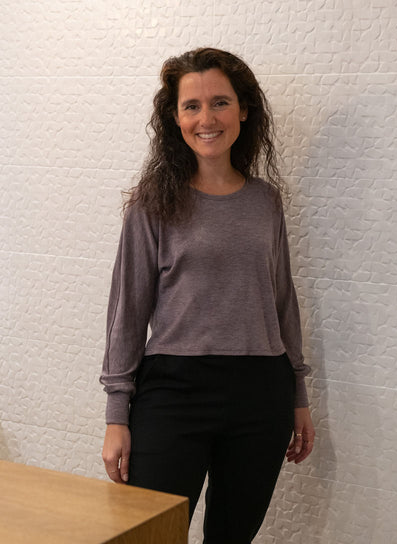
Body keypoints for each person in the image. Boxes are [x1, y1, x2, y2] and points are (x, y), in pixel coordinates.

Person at [100, 47, 315, 544]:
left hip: (261, 392)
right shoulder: (153, 204)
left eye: (220, 102)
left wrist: (298, 395)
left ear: (243, 110)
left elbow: (282, 300)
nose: (206, 119)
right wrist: (116, 415)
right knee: (152, 535)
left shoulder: (265, 201)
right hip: (173, 391)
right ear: (175, 118)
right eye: (191, 106)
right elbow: (127, 312)